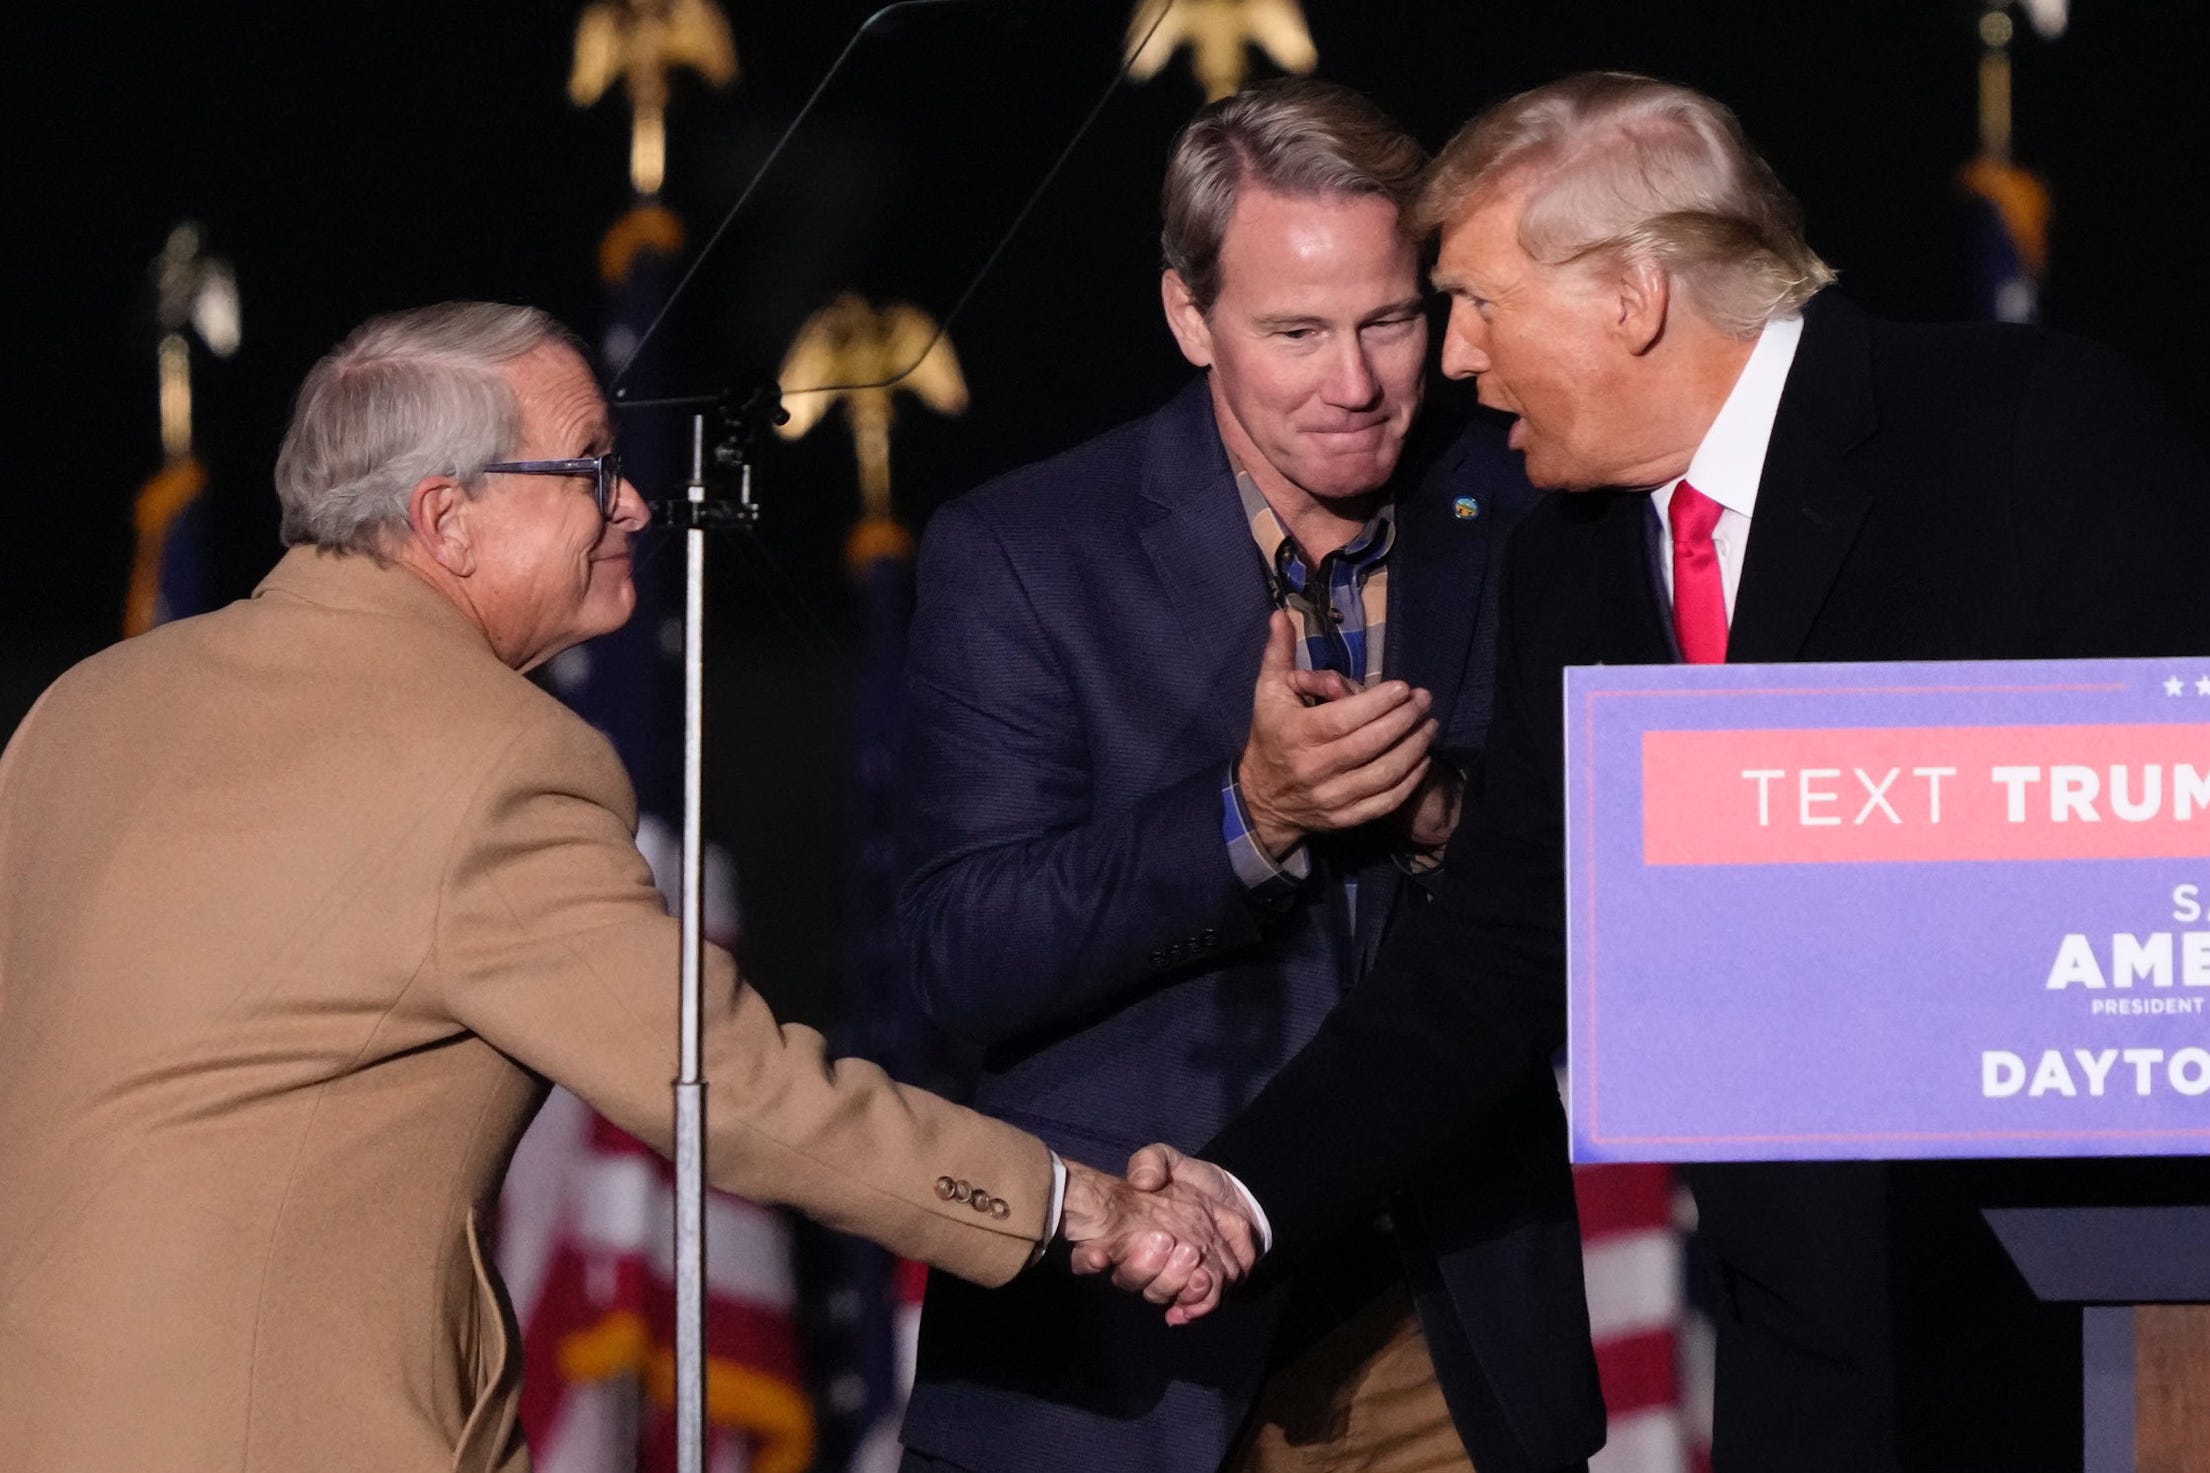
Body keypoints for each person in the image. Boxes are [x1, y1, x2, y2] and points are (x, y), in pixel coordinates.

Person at [1123, 71, 2210, 1473]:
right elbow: (1499, 951)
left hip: (2082, 1330)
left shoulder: (2023, 432)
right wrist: (1243, 1189)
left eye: (1479, 304)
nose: (1452, 361)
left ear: (1630, 299)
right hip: (1792, 1362)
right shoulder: (1568, 564)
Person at [0, 303, 1253, 1473]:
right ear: (447, 521)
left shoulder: (85, 706)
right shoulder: (488, 756)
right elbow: (734, 1095)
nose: (640, 505)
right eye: (591, 467)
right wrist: (1071, 1202)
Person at [896, 80, 1601, 1473]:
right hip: (1114, 1360)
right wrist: (1249, 818)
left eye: (1389, 321)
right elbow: (960, 955)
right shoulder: (1026, 551)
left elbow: (1627, 886)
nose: (1354, 384)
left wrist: (1437, 814)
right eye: (1292, 332)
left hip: (1444, 1329)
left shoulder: (1535, 514)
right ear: (1184, 316)